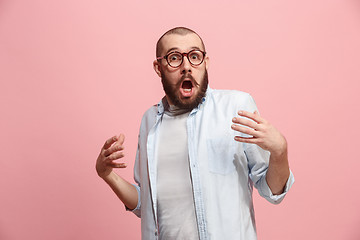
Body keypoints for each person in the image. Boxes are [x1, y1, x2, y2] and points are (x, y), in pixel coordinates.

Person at [96, 27, 294, 240]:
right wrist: (107, 175)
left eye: (194, 56)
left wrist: (280, 151)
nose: (186, 66)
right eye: (174, 58)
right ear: (158, 67)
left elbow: (272, 191)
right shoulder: (149, 121)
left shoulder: (236, 107)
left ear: (206, 62)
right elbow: (146, 205)